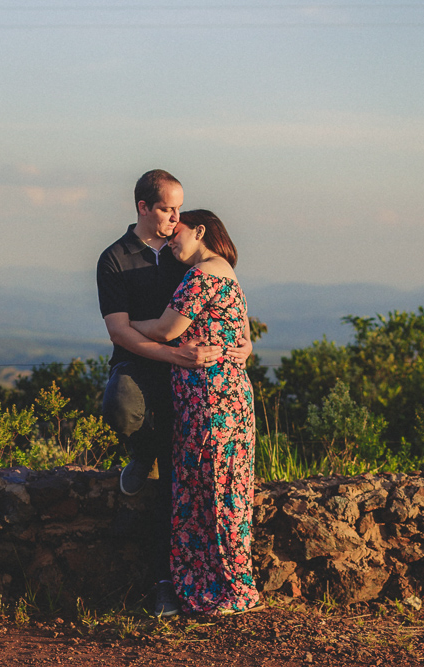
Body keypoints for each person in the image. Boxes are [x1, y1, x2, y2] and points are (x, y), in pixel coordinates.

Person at [97, 170, 250, 617]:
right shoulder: (115, 258)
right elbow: (120, 333)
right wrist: (173, 355)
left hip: (191, 380)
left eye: (179, 209)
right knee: (121, 406)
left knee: (178, 486)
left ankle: (169, 583)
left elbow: (225, 305)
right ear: (143, 208)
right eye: (167, 209)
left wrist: (246, 344)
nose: (175, 218)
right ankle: (140, 452)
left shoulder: (186, 255)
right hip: (145, 365)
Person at [130, 209, 262, 615]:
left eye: (178, 231)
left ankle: (225, 589)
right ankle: (222, 585)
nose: (172, 239)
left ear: (200, 230)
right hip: (225, 396)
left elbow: (166, 330)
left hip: (210, 398)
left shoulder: (202, 274)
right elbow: (243, 337)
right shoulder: (227, 273)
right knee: (223, 488)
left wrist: (127, 324)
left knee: (212, 489)